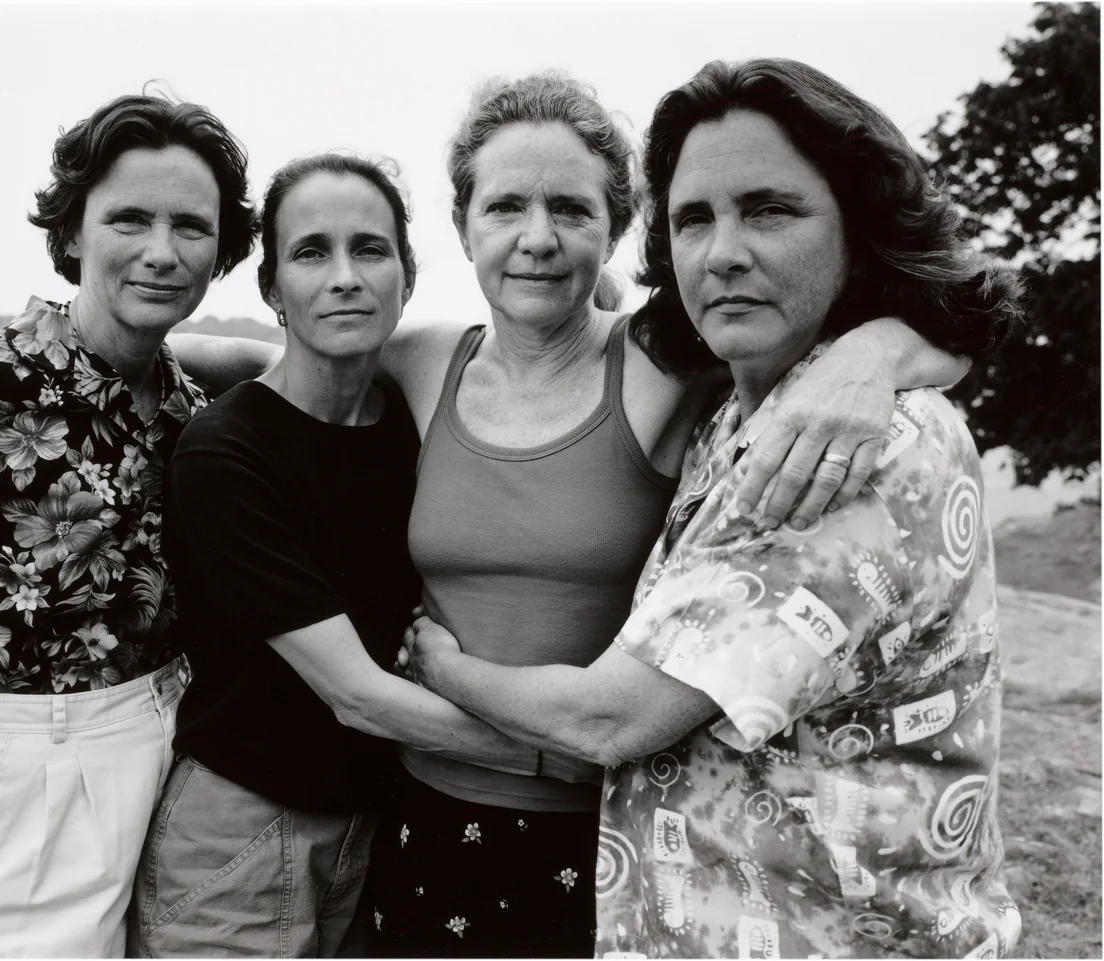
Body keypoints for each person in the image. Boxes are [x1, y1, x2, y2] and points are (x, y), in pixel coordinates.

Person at [169, 73, 971, 958]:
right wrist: (132, 346)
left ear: (617, 227)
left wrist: (873, 355)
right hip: (418, 814)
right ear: (464, 227)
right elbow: (285, 365)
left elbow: (946, 317)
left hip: (603, 830)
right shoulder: (426, 361)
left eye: (571, 209)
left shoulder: (669, 356)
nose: (537, 238)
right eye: (506, 206)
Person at [402, 58, 1024, 959]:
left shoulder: (857, 451)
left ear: (860, 229)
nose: (723, 252)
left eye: (769, 210)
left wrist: (438, 664)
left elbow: (610, 719)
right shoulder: (743, 407)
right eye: (694, 218)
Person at [129, 153, 598, 959]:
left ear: (407, 277)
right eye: (312, 252)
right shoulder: (227, 451)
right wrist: (558, 758)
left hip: (377, 830)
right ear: (273, 288)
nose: (345, 277)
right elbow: (356, 695)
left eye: (370, 250)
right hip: (240, 834)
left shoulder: (412, 420)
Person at [0, 93, 258, 958]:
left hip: (165, 761)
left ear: (221, 253)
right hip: (2, 776)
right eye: (129, 219)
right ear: (70, 232)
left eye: (191, 226)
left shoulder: (193, 413)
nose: (161, 252)